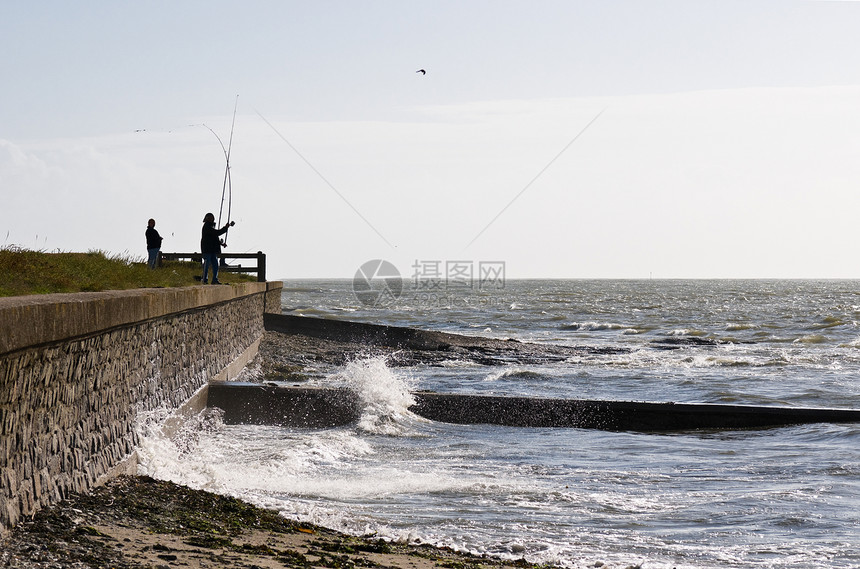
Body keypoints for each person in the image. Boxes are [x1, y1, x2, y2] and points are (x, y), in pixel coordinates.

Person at [200, 213, 234, 284]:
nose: (212, 219)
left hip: (212, 250)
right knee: (207, 264)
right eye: (210, 217)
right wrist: (225, 228)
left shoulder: (210, 227)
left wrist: (221, 243)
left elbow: (214, 237)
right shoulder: (207, 226)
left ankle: (214, 279)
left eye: (212, 217)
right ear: (206, 218)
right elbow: (216, 233)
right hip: (207, 249)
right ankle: (204, 279)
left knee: (215, 264)